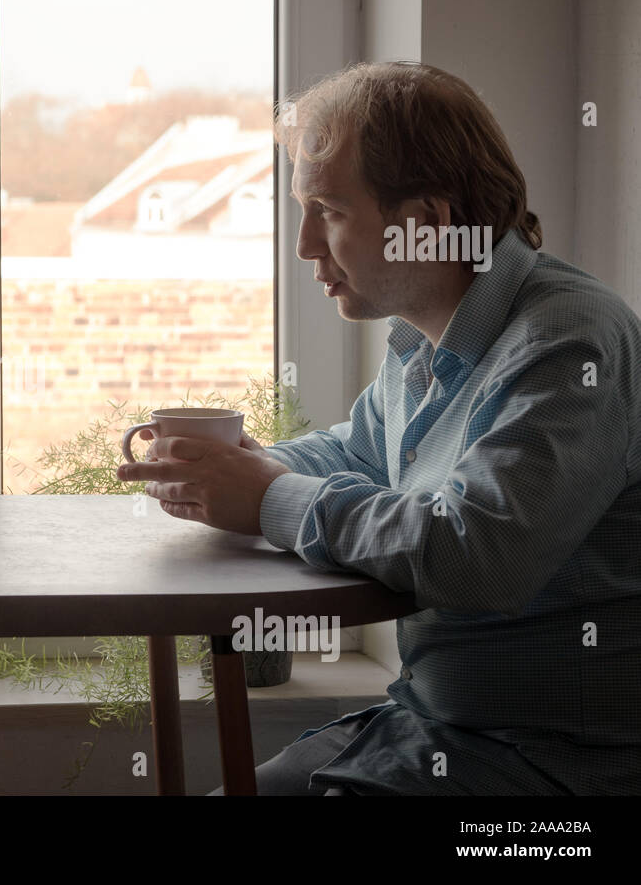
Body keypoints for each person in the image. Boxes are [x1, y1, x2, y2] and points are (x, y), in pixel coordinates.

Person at [118, 61, 641, 795]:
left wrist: (270, 497)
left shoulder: (569, 342)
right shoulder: (425, 344)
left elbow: (477, 551)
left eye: (327, 209)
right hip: (431, 731)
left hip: (553, 769)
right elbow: (357, 454)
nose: (304, 245)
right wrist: (235, 471)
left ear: (423, 225)